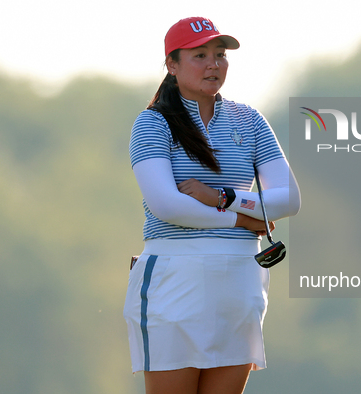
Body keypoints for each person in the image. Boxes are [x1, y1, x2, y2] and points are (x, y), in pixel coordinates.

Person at [123, 16, 301, 394]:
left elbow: (289, 198)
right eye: (199, 55)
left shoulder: (249, 120)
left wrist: (224, 197)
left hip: (239, 280)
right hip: (174, 276)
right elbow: (167, 206)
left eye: (219, 55)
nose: (213, 64)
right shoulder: (153, 123)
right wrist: (243, 221)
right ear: (172, 65)